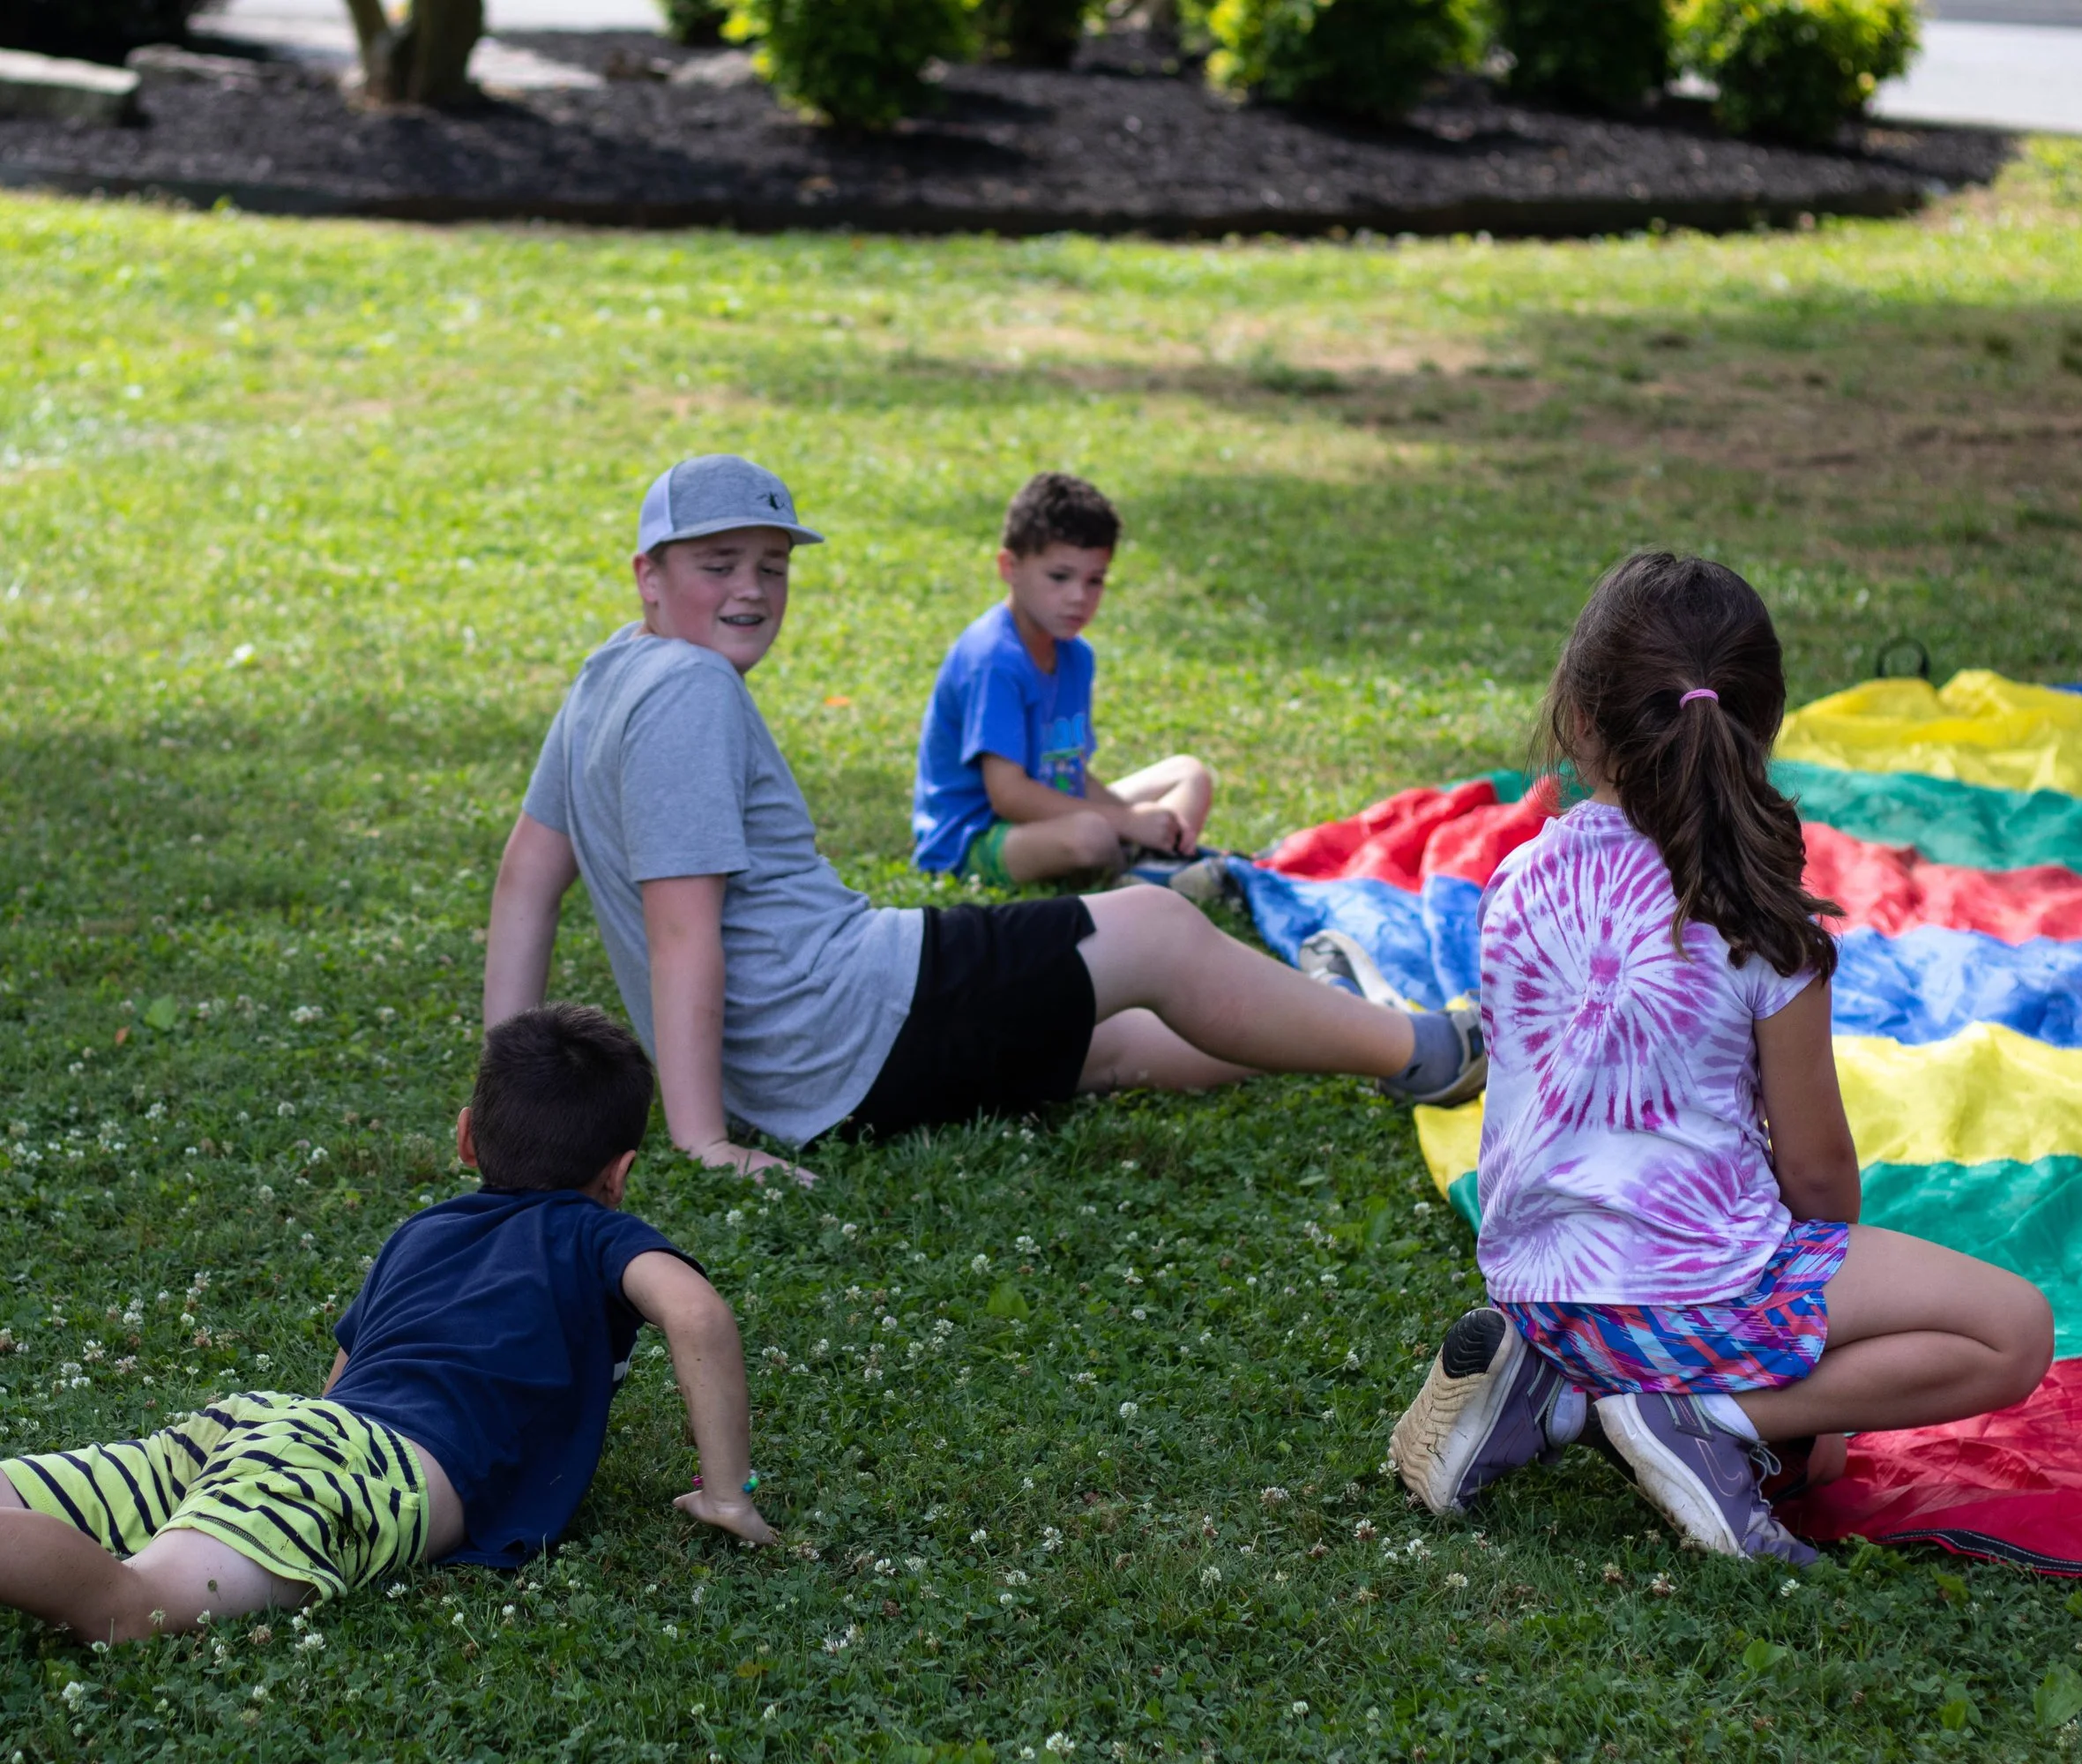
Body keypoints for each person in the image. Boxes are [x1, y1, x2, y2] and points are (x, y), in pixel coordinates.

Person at [483, 454, 1485, 1180]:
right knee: (1158, 929)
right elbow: (681, 925)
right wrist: (702, 1137)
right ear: (648, 573)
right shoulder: (692, 691)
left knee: (1115, 1039)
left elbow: (528, 875)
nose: (752, 587)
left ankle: (1353, 1018)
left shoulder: (607, 671)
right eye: (718, 561)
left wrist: (506, 1092)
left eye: (772, 563)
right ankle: (1430, 1057)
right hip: (848, 1015)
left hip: (807, 1072)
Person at [1388, 553, 2053, 1564]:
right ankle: (1706, 1420)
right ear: (1766, 727)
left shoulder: (1519, 874)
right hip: (1689, 1294)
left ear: (1576, 718)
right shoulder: (1757, 919)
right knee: (2014, 1328)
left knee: (1818, 1455)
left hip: (1539, 1286)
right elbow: (1819, 1171)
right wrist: (1801, 1324)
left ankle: (1558, 1389)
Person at [0, 1005, 773, 1646]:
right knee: (135, 1607)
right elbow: (697, 1311)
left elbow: (345, 1374)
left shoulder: (422, 1230)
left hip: (269, 1428)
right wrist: (727, 1494)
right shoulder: (599, 1235)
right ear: (620, 1173)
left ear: (467, 1136)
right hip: (357, 1468)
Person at [910, 471, 1217, 891]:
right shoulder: (994, 659)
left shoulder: (1074, 653)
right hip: (975, 838)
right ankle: (1149, 873)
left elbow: (1069, 770)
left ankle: (1152, 864)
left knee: (1189, 775)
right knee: (1091, 835)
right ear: (1010, 567)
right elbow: (1009, 796)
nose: (1079, 597)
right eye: (1060, 577)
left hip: (1051, 815)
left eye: (1095, 580)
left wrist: (1144, 823)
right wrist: (1127, 821)